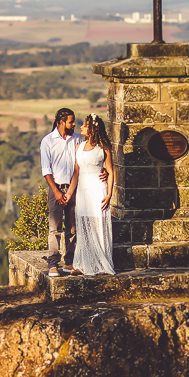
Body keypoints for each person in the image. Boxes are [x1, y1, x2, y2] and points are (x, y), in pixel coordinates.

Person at [66, 115, 115, 276]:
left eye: (84, 125)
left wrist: (109, 194)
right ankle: (82, 263)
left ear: (92, 128)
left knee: (98, 225)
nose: (81, 127)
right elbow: (76, 173)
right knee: (83, 226)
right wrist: (69, 193)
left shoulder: (103, 148)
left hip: (98, 190)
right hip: (82, 191)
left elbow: (110, 171)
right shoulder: (78, 147)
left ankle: (101, 265)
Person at [40, 108, 81, 277]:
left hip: (74, 188)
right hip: (55, 188)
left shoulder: (77, 139)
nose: (74, 124)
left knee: (73, 228)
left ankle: (69, 262)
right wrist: (56, 191)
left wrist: (70, 192)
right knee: (54, 228)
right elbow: (46, 169)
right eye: (71, 121)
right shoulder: (48, 141)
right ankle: (53, 264)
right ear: (61, 122)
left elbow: (79, 166)